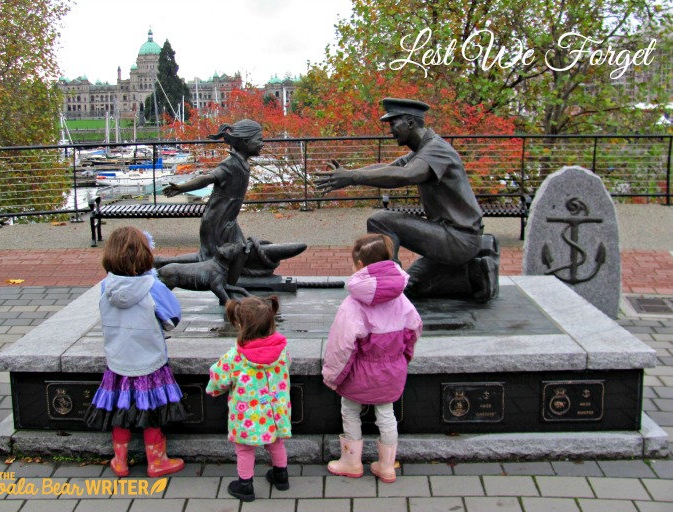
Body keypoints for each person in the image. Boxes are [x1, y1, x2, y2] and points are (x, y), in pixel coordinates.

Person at [314, 98, 498, 302]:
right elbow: (389, 168)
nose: (390, 130)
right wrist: (350, 175)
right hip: (454, 237)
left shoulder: (437, 149)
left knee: (380, 220)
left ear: (410, 123)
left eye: (393, 124)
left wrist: (353, 177)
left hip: (458, 239)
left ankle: (387, 284)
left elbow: (408, 174)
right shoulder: (423, 150)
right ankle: (476, 273)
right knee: (410, 288)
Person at [84, 226, 187, 478]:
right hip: (149, 362)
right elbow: (172, 317)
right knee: (151, 412)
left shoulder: (105, 286)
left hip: (117, 361)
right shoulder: (152, 286)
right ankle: (156, 461)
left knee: (119, 413)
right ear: (145, 254)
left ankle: (119, 461)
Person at [322, 233, 422, 483]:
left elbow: (341, 346)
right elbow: (414, 330)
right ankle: (387, 466)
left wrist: (332, 376)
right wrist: (402, 359)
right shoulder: (402, 299)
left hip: (359, 374)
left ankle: (352, 462)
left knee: (350, 410)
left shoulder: (353, 304)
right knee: (386, 414)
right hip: (391, 371)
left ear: (359, 266)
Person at [158, 120, 306, 283]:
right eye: (259, 140)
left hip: (228, 221)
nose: (262, 144)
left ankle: (162, 263)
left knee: (232, 254)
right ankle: (163, 265)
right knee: (210, 258)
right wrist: (182, 188)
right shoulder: (230, 164)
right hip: (218, 222)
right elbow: (208, 178)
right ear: (245, 141)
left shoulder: (242, 163)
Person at [206, 295, 292, 502]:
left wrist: (213, 390)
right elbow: (286, 367)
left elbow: (218, 379)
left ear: (240, 324)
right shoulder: (282, 351)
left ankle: (245, 485)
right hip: (275, 412)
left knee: (245, 449)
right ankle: (281, 476)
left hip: (247, 416)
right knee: (276, 443)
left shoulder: (235, 356)